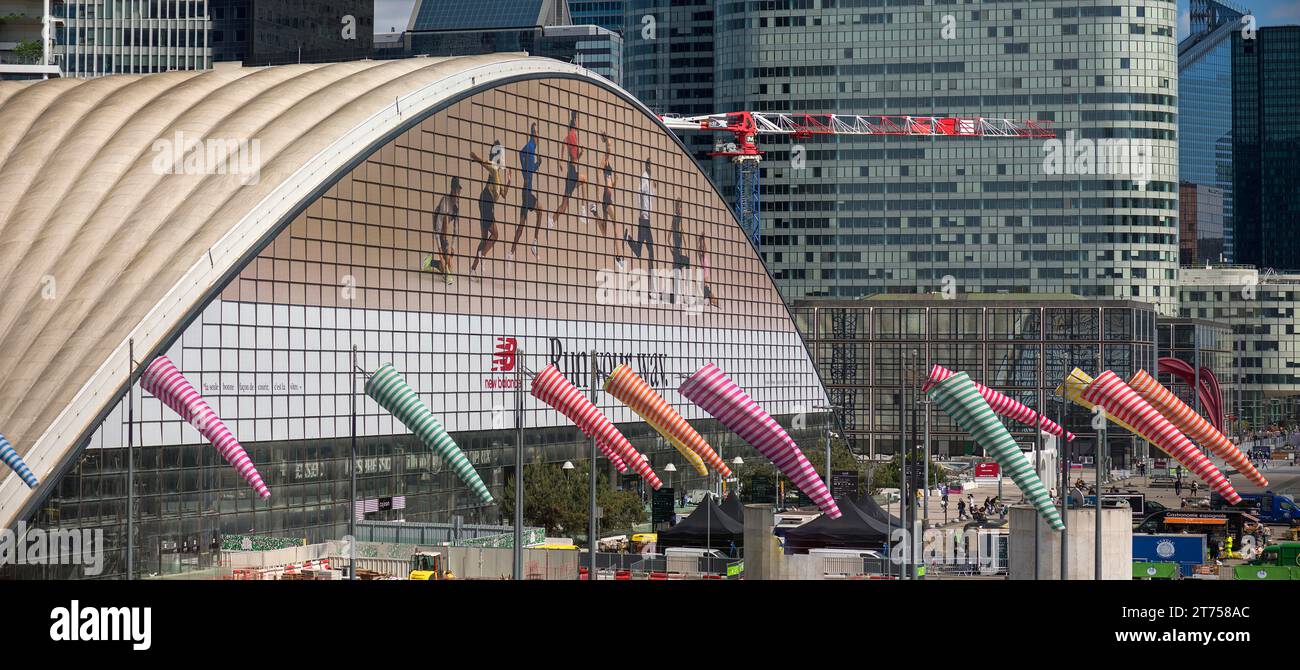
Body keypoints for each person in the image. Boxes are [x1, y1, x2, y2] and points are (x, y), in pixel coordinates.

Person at [468, 142, 513, 278]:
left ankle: (473, 269)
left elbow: (504, 194)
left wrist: (509, 180)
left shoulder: (498, 174)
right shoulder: (493, 169)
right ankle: (482, 256)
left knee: (484, 239)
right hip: (486, 201)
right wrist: (475, 157)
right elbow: (485, 163)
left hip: (486, 203)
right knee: (495, 235)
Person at [508, 123, 545, 260]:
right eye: (536, 133)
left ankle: (511, 253)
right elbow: (521, 154)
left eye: (537, 133)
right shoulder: (530, 146)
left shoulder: (533, 148)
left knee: (521, 225)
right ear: (532, 134)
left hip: (526, 191)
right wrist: (524, 176)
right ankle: (534, 243)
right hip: (527, 191)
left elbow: (531, 169)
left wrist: (538, 164)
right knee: (540, 210)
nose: (537, 135)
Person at [421, 176, 463, 284]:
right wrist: (441, 255)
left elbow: (456, 230)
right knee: (446, 264)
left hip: (446, 226)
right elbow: (437, 231)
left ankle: (429, 262)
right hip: (438, 224)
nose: (457, 195)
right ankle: (440, 261)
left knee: (449, 267)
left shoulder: (457, 204)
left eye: (459, 192)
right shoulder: (445, 202)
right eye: (455, 192)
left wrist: (452, 249)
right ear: (451, 190)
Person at [552, 110, 590, 227]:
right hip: (572, 173)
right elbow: (570, 150)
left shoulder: (571, 136)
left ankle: (551, 221)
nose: (579, 122)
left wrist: (579, 154)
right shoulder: (573, 135)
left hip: (571, 172)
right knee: (585, 179)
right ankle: (583, 212)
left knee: (564, 207)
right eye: (578, 119)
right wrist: (562, 159)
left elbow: (571, 153)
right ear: (574, 121)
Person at [623, 158, 658, 278]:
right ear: (646, 166)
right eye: (649, 166)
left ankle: (652, 275)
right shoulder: (644, 178)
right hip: (644, 217)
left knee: (650, 248)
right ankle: (628, 238)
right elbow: (640, 193)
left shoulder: (648, 179)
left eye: (651, 166)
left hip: (647, 218)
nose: (650, 168)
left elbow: (650, 199)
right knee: (640, 251)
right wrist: (641, 211)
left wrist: (654, 189)